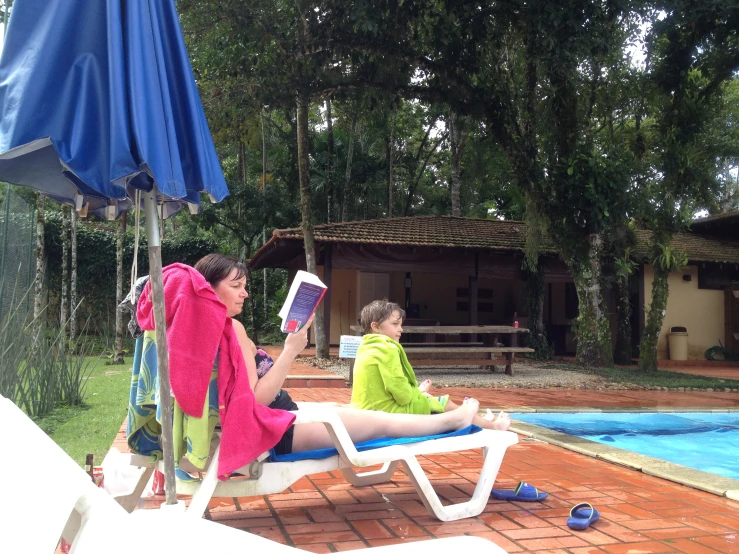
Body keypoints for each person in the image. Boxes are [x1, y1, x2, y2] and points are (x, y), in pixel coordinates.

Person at [193, 254, 481, 455]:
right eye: (236, 286)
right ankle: (450, 421)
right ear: (208, 287)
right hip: (278, 430)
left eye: (245, 286)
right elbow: (256, 399)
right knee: (379, 422)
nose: (244, 294)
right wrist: (291, 350)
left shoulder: (198, 332)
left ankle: (444, 417)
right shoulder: (231, 330)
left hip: (278, 419)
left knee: (349, 412)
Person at [350, 299, 512, 432]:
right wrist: (416, 394)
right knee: (443, 403)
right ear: (376, 326)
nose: (401, 329)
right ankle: (493, 426)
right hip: (388, 415)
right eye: (395, 324)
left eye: (400, 324)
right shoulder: (387, 349)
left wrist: (417, 394)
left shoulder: (365, 348)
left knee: (427, 398)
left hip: (367, 411)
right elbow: (402, 396)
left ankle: (481, 421)